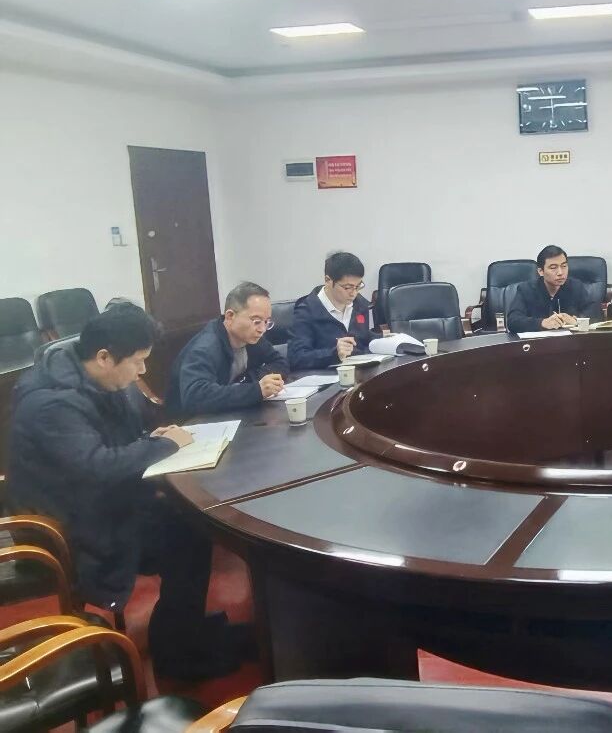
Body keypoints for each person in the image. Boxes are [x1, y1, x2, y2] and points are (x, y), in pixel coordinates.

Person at [6, 303, 250, 680]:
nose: (142, 371)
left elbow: (114, 442)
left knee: (188, 524)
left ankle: (185, 634)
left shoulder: (93, 379)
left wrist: (149, 439)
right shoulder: (50, 403)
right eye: (137, 362)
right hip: (69, 523)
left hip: (95, 500)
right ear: (104, 357)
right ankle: (178, 657)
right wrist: (162, 446)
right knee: (185, 538)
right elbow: (98, 466)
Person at [166, 281, 288, 419]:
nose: (262, 329)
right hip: (192, 423)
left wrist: (247, 380)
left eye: (266, 322)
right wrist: (255, 390)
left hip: (228, 412)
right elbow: (194, 397)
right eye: (256, 321)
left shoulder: (252, 338)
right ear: (230, 316)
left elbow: (280, 363)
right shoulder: (205, 348)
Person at [289, 251, 376, 370]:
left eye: (358, 286)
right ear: (328, 280)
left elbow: (363, 339)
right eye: (347, 287)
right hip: (327, 377)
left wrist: (385, 341)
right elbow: (297, 358)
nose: (354, 293)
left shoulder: (360, 304)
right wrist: (334, 354)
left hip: (361, 373)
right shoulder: (306, 311)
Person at [507, 245, 601, 332]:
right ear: (541, 271)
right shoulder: (526, 290)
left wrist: (576, 320)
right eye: (553, 268)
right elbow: (513, 321)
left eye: (564, 266)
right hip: (538, 342)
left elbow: (596, 313)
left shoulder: (576, 286)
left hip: (571, 341)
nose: (560, 272)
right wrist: (542, 323)